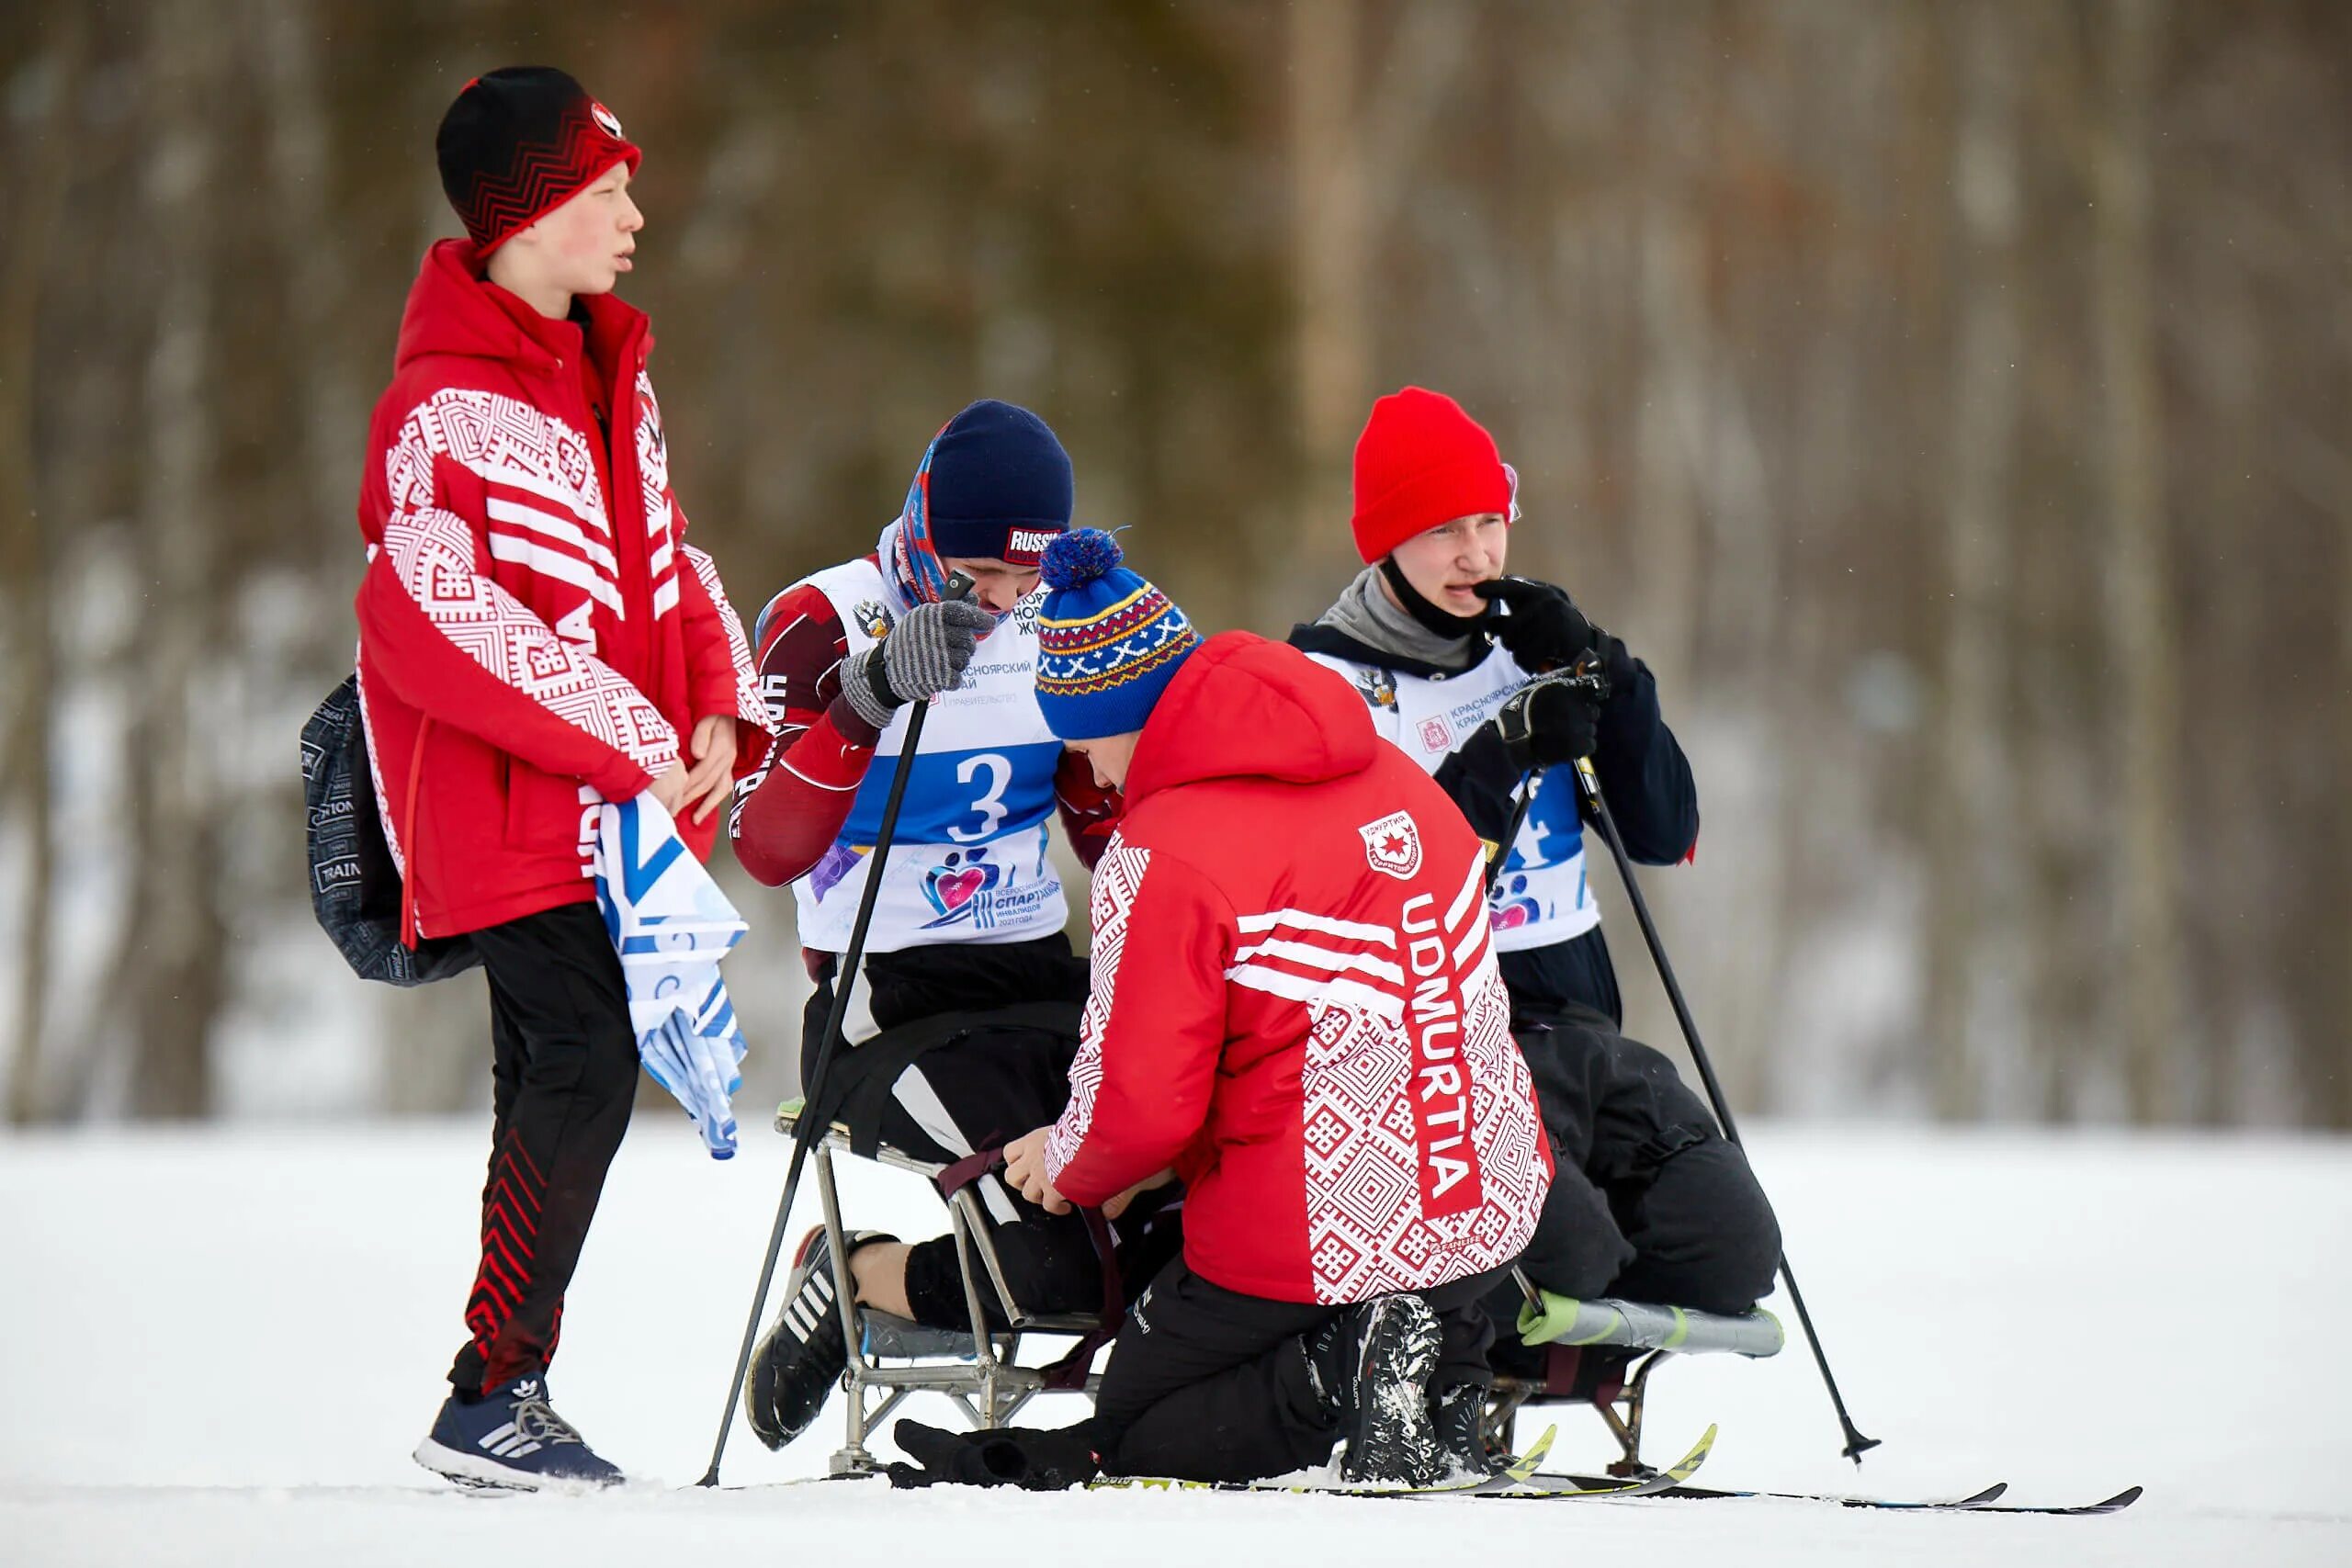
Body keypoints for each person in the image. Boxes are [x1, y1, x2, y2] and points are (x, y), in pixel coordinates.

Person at [356, 68, 770, 1489]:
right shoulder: (439, 412)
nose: (636, 216)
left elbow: (673, 562)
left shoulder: (614, 377)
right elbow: (437, 621)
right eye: (606, 194)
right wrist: (632, 733)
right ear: (527, 218)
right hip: (503, 817)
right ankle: (494, 1387)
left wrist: (717, 702)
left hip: (605, 822)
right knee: (582, 1059)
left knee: (556, 1069)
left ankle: (497, 1387)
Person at [991, 527, 1552, 1488]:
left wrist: (1070, 1162)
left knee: (1135, 1421)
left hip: (1317, 1227)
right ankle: (1439, 1378)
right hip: (1487, 1200)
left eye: (1084, 742)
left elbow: (1140, 1102)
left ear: (1123, 711)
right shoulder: (1392, 775)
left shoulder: (1162, 849)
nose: (1090, 772)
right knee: (1414, 1264)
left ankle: (1347, 1367)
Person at [1288, 388, 1779, 1396]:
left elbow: (1663, 832)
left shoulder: (1528, 648)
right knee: (1574, 1251)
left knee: (1729, 1247)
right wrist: (1497, 755)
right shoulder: (1323, 686)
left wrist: (1606, 671)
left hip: (1579, 1017)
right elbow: (1376, 899)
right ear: (1384, 544)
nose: (1477, 555)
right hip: (1441, 1032)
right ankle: (1451, 1370)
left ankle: (1544, 1358)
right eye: (1442, 532)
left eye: (1489, 522)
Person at [729, 400, 1143, 1451]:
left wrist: (1132, 734)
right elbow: (764, 846)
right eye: (976, 578)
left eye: (1024, 581)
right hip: (887, 996)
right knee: (1051, 1272)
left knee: (1162, 1231)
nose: (1004, 604)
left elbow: (1110, 837)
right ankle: (851, 1269)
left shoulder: (1053, 618)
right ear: (919, 529)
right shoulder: (823, 620)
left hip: (1041, 978)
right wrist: (866, 700)